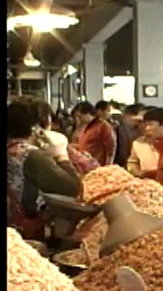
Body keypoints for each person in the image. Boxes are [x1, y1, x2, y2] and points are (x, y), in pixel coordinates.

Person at [7, 97, 82, 240]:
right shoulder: (33, 156)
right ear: (36, 128)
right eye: (49, 121)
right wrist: (61, 156)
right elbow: (73, 188)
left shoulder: (12, 149)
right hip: (28, 230)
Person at [75, 101, 117, 166]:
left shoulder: (103, 126)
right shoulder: (84, 127)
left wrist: (108, 165)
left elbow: (111, 147)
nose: (78, 120)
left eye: (80, 117)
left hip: (98, 165)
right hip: (85, 165)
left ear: (88, 114)